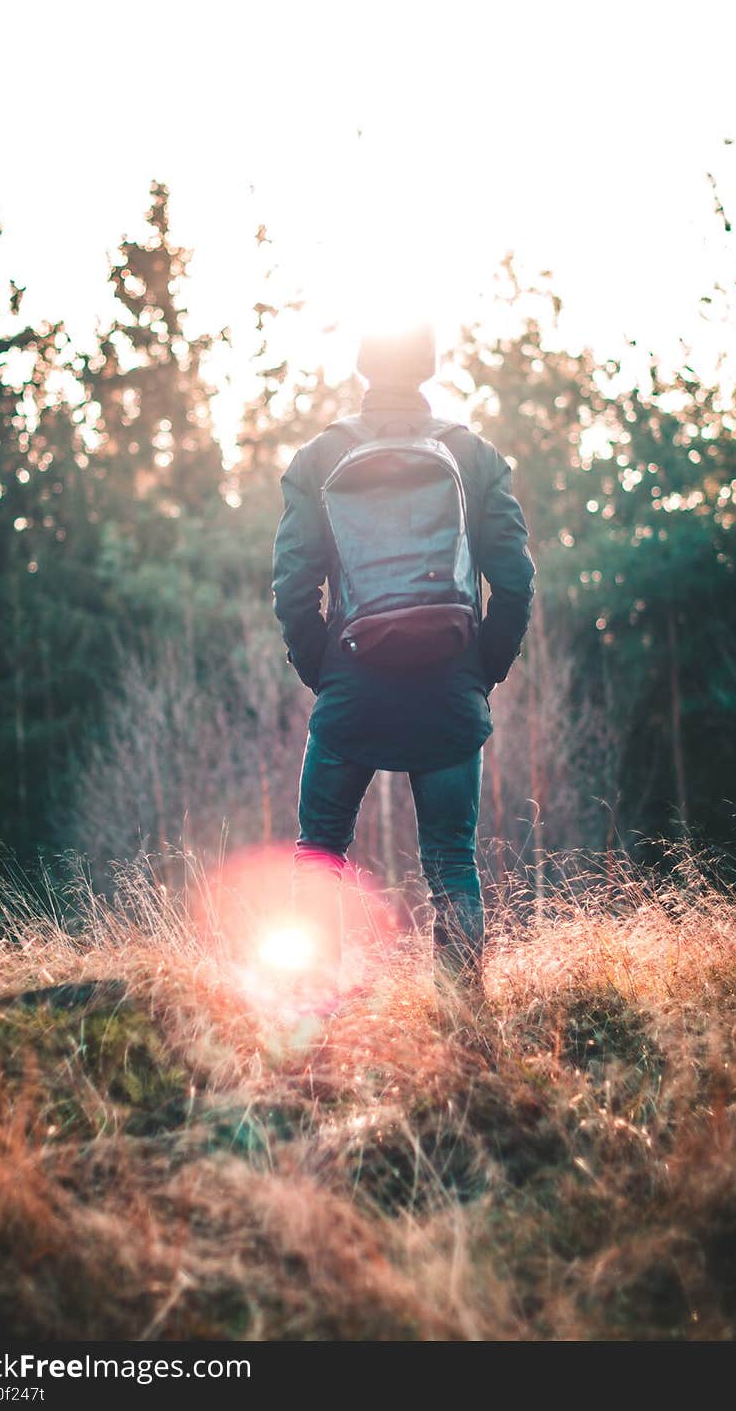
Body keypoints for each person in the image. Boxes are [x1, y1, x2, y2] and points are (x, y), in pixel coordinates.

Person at [271, 321, 535, 1010]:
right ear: (427, 366)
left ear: (363, 367)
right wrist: (481, 671)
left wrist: (326, 671)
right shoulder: (473, 454)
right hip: (449, 685)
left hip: (352, 686)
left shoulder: (319, 456)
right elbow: (515, 582)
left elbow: (294, 588)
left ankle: (312, 1014)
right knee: (451, 859)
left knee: (320, 851)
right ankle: (464, 1024)